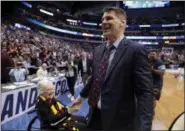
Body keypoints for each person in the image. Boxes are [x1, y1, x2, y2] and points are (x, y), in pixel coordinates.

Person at [71, 7, 154, 131]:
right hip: (94, 114)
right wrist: (81, 97)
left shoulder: (136, 50)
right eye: (102, 19)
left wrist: (145, 127)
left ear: (123, 23)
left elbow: (145, 93)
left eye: (109, 18)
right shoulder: (98, 50)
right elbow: (95, 78)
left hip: (119, 123)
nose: (103, 22)